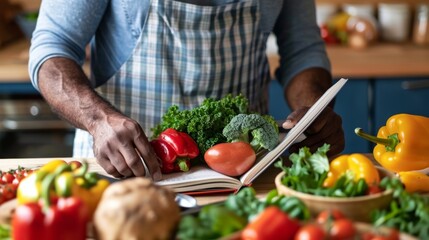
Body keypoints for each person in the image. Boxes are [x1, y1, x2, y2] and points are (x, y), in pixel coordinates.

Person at [29, 0, 345, 180]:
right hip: (124, 171)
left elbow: (302, 49)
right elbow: (52, 47)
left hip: (242, 174)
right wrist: (98, 120)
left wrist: (312, 112)